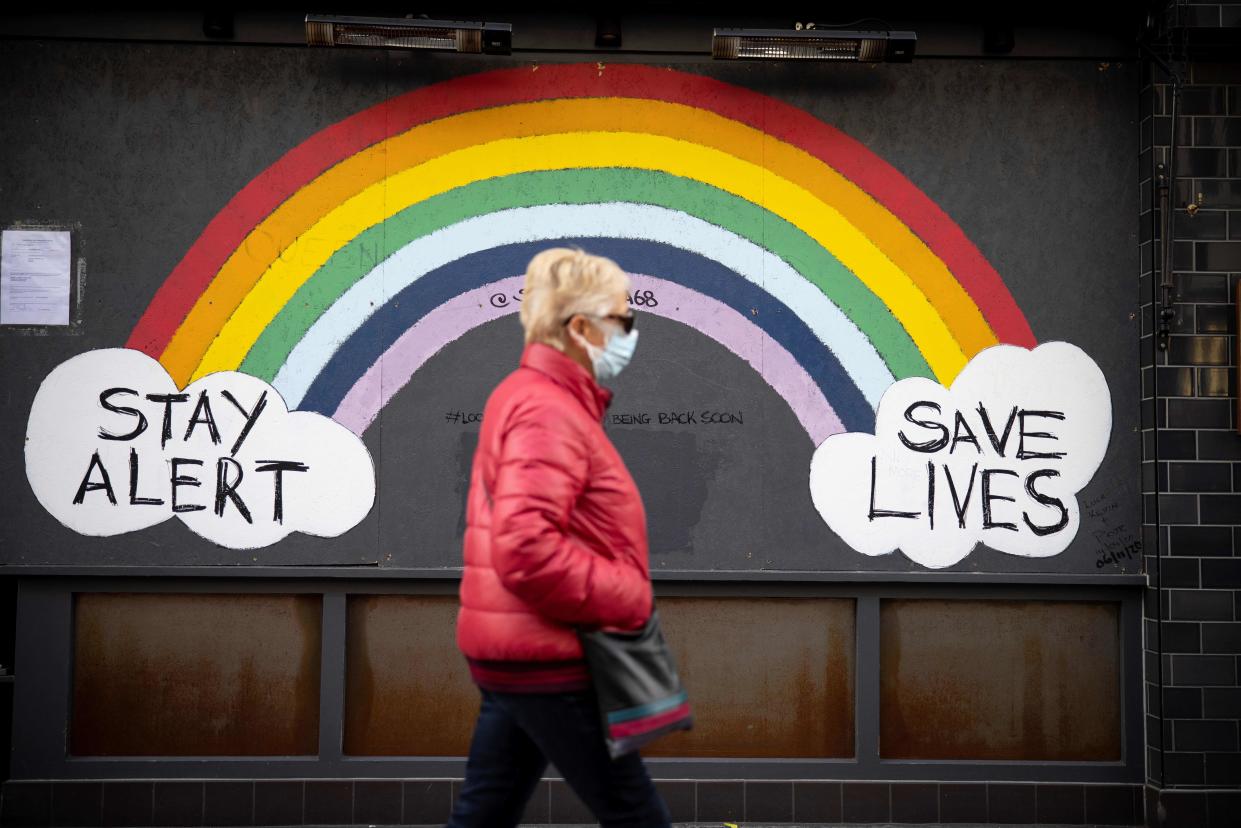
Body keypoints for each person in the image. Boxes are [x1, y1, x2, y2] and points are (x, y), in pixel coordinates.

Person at [446, 247, 671, 828]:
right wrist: (628, 594)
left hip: (521, 652)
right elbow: (525, 547)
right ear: (580, 328)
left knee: (484, 816)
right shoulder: (547, 409)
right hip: (553, 659)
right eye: (624, 319)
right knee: (637, 817)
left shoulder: (533, 396)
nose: (630, 332)